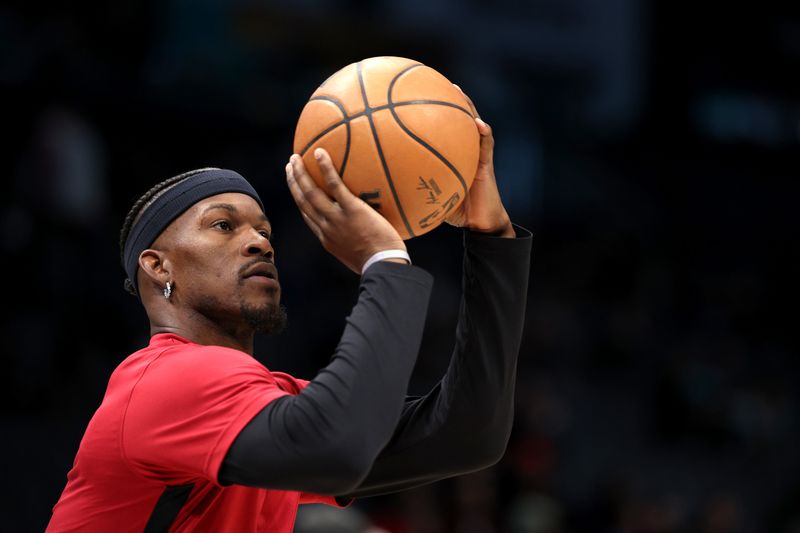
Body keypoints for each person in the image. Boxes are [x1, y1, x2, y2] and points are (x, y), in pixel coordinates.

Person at [46, 92, 532, 532]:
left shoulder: (254, 398)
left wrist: (491, 237)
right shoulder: (165, 380)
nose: (259, 242)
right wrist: (385, 263)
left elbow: (468, 435)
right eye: (222, 225)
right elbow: (336, 449)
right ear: (158, 266)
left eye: (265, 232)